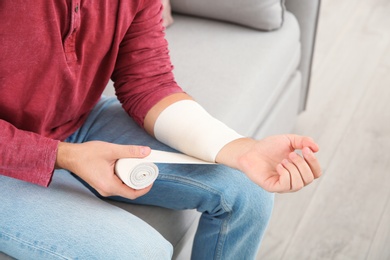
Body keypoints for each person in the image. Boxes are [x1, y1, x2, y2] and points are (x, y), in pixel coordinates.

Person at [0, 1, 322, 259]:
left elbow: (148, 82)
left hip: (75, 120)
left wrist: (241, 149)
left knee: (247, 187)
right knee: (141, 252)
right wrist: (62, 156)